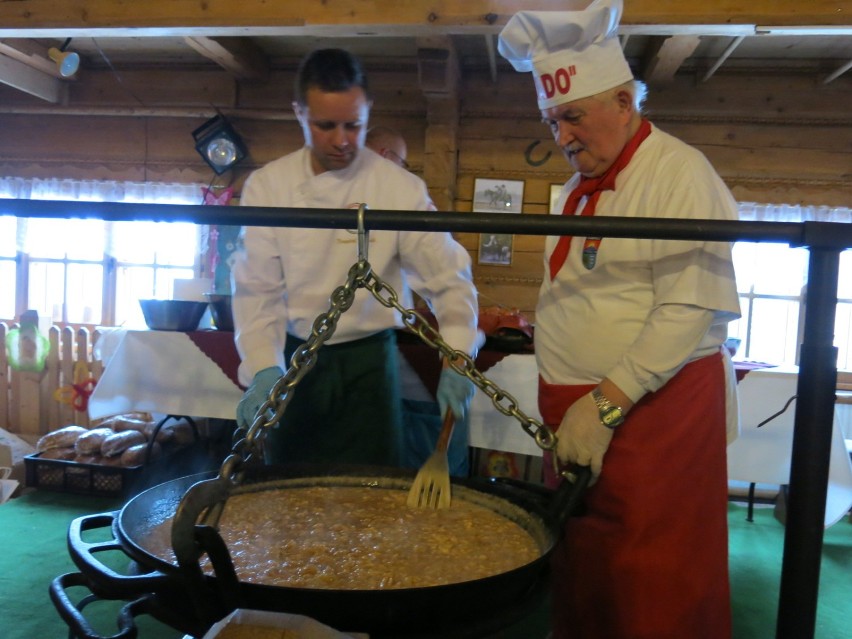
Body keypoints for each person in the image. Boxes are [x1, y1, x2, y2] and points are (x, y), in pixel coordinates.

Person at [498, 1, 741, 638]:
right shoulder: (585, 183)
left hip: (652, 415)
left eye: (573, 117)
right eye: (553, 122)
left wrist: (604, 404)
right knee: (589, 570)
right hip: (579, 412)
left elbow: (689, 306)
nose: (563, 137)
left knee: (653, 578)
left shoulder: (678, 173)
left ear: (624, 101)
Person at [231, 48, 479, 468]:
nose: (342, 140)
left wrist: (458, 350)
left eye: (354, 125)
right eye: (325, 126)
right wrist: (261, 367)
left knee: (373, 497)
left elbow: (447, 275)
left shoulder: (399, 189)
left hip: (371, 366)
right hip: (295, 364)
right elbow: (257, 290)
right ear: (299, 113)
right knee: (291, 494)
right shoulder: (268, 188)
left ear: (369, 113)